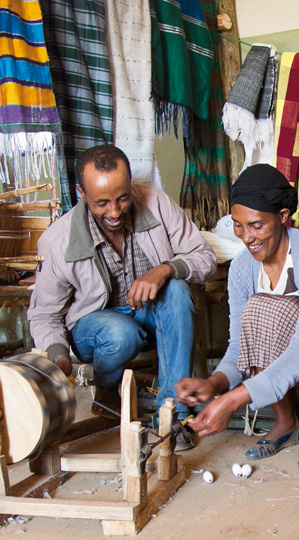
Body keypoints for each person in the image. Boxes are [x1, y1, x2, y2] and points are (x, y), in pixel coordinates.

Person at [175, 164, 299, 468]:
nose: (247, 237)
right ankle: (286, 422)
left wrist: (231, 401)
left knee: (275, 308)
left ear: (284, 217)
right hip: (286, 383)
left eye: (257, 225)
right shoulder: (242, 268)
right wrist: (214, 385)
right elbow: (239, 346)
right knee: (257, 310)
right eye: (238, 225)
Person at [28, 144, 216, 449]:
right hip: (95, 329)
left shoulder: (157, 203)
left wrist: (166, 269)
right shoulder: (57, 241)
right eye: (101, 203)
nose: (114, 212)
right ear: (81, 193)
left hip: (150, 316)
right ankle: (106, 389)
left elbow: (204, 257)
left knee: (178, 290)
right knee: (119, 333)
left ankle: (172, 414)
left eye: (123, 198)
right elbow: (44, 315)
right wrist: (57, 355)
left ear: (131, 185)